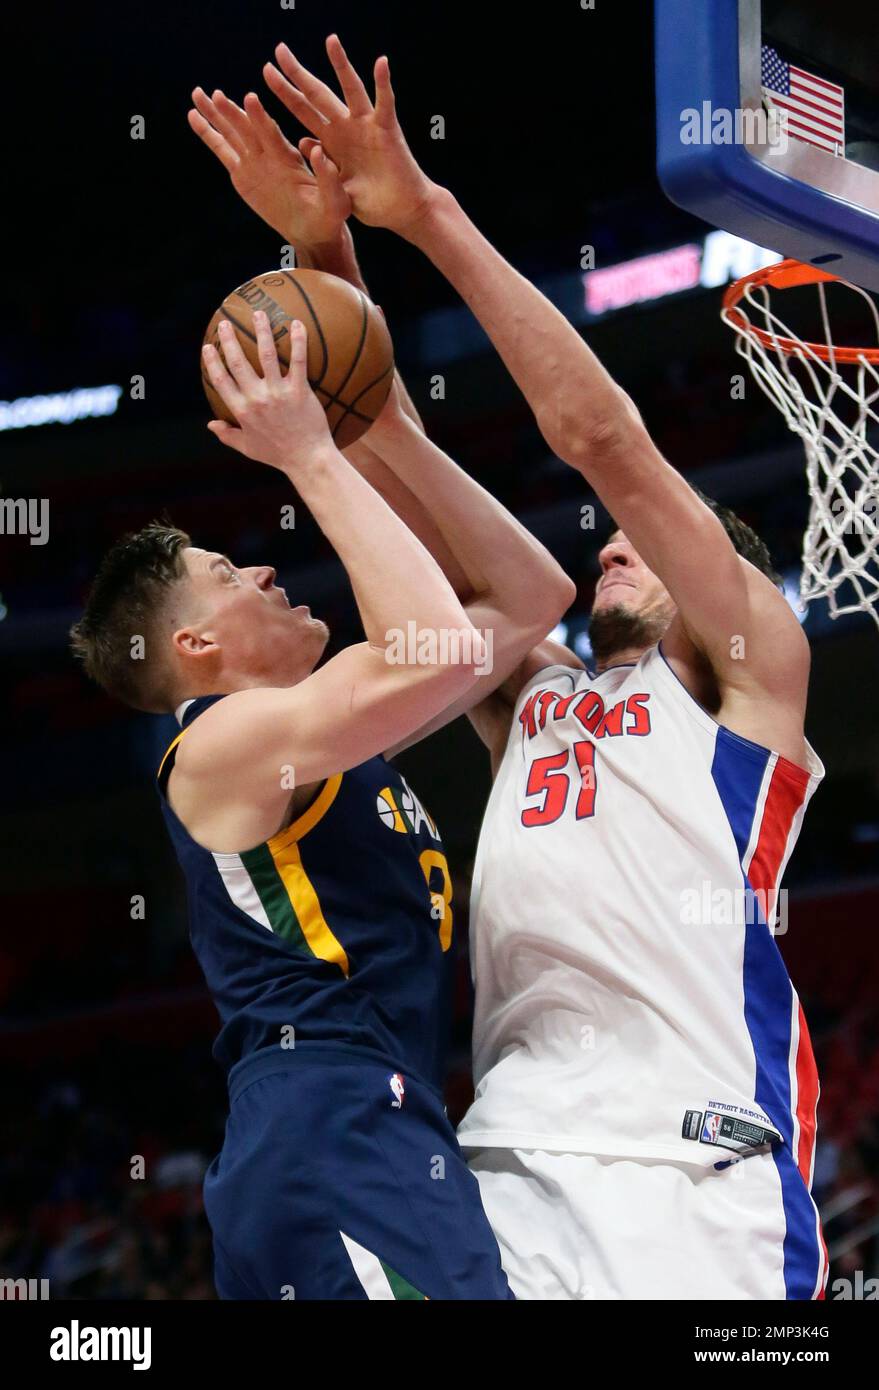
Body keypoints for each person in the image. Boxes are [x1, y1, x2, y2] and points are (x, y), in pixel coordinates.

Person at [265, 32, 827, 1300]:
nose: (619, 543)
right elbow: (382, 442)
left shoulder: (752, 679)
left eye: (657, 544)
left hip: (693, 1174)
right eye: (617, 545)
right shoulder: (541, 697)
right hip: (506, 1164)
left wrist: (428, 215)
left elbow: (594, 437)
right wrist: (323, 254)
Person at [70, 302, 573, 1299]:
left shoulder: (325, 737)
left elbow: (529, 597)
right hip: (330, 1123)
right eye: (225, 573)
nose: (261, 567)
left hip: (368, 1123)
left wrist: (374, 417)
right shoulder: (215, 745)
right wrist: (310, 457)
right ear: (196, 650)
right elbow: (446, 642)